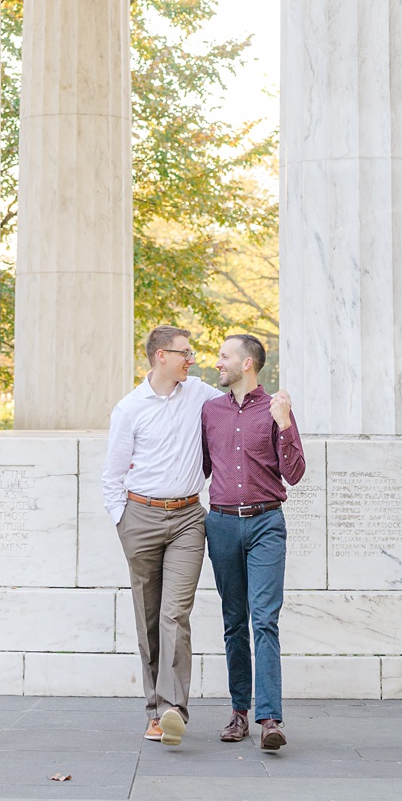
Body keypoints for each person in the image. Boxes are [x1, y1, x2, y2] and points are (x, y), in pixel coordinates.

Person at [102, 323, 221, 746]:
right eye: (184, 352)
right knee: (149, 618)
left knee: (175, 614)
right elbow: (112, 476)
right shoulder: (129, 409)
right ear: (160, 356)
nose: (191, 359)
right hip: (141, 518)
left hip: (189, 518)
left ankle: (174, 709)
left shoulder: (202, 395)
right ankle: (154, 711)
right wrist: (123, 522)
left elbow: (240, 403)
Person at [202, 332, 304, 753]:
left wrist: (284, 425)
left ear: (247, 363)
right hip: (222, 525)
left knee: (264, 620)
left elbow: (295, 474)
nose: (218, 362)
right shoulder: (210, 411)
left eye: (225, 356)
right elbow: (201, 465)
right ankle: (239, 713)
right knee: (233, 622)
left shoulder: (276, 409)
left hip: (266, 525)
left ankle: (270, 719)